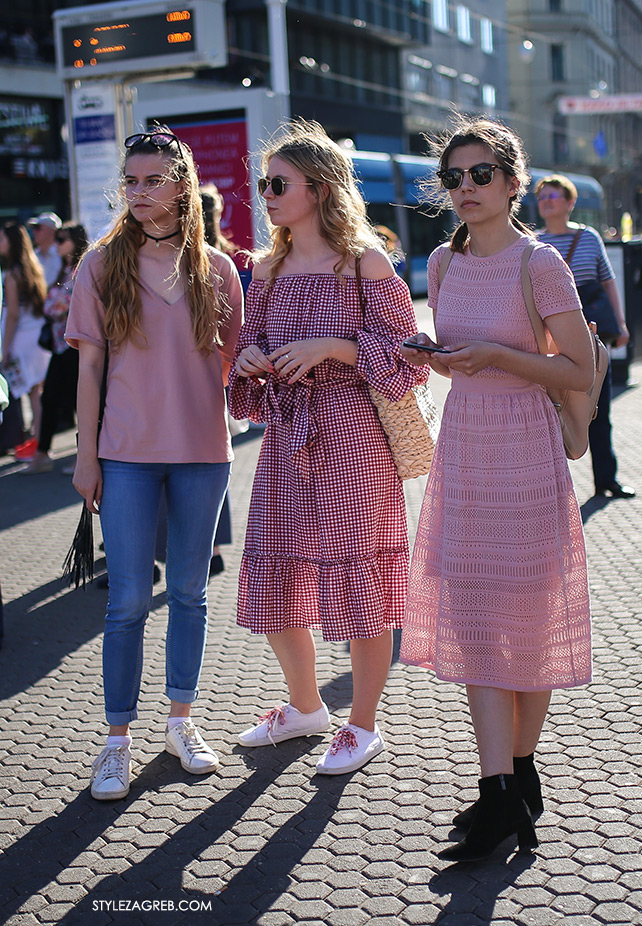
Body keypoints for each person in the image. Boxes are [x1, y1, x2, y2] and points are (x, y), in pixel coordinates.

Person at [399, 117, 594, 862]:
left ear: (514, 182)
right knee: (478, 621)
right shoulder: (443, 265)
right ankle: (500, 794)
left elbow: (575, 369)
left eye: (481, 175)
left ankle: (514, 780)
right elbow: (461, 358)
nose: (466, 189)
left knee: (527, 624)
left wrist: (497, 355)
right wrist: (443, 358)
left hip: (526, 453)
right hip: (467, 449)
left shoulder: (538, 263)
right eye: (454, 178)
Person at [229, 120, 428, 775]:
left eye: (278, 183)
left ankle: (361, 724)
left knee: (359, 571)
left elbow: (409, 354)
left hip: (350, 430)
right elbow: (245, 348)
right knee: (277, 568)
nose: (266, 194)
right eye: (263, 183)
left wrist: (335, 347)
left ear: (317, 188)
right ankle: (306, 707)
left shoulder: (365, 260)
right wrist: (251, 358)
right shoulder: (269, 266)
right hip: (287, 432)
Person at [65, 127, 243, 801]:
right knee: (129, 600)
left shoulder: (217, 268)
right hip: (126, 454)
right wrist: (86, 456)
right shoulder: (101, 264)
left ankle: (181, 722)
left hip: (203, 453)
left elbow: (236, 364)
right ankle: (116, 742)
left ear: (181, 185)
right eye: (131, 182)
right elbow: (88, 368)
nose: (139, 193)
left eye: (153, 180)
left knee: (192, 595)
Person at [535, 174, 635, 499]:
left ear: (569, 202)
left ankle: (606, 480)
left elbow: (607, 282)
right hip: (547, 344)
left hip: (590, 339)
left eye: (553, 196)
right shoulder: (531, 243)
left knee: (598, 412)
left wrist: (620, 324)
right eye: (542, 197)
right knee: (548, 415)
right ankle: (550, 490)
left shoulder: (589, 238)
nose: (547, 201)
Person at [21, 223, 89, 474]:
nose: (58, 244)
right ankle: (42, 454)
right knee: (50, 398)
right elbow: (52, 304)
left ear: (75, 241)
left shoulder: (83, 270)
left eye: (63, 239)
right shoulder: (64, 270)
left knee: (78, 401)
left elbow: (58, 305)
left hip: (77, 346)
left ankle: (83, 455)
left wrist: (54, 305)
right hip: (61, 345)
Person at [0, 223, 49, 457]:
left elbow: (12, 315)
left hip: (21, 340)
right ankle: (38, 440)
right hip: (36, 338)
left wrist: (4, 346)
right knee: (36, 393)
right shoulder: (33, 267)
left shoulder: (11, 275)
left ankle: (38, 443)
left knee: (31, 393)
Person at [28, 212, 63, 290]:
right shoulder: (32, 256)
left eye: (38, 228)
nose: (34, 232)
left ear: (52, 231)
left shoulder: (63, 255)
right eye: (33, 229)